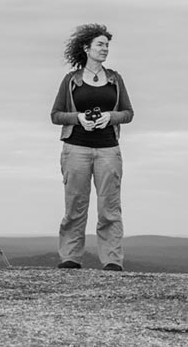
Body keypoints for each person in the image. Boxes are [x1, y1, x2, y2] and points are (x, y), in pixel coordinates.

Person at [49, 23, 134, 270]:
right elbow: (55, 115)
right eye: (100, 44)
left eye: (107, 45)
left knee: (110, 208)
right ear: (86, 48)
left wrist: (111, 116)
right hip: (76, 148)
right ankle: (70, 258)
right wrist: (78, 119)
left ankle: (111, 261)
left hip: (108, 149)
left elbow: (128, 112)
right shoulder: (71, 81)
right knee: (74, 206)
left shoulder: (115, 79)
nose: (105, 49)